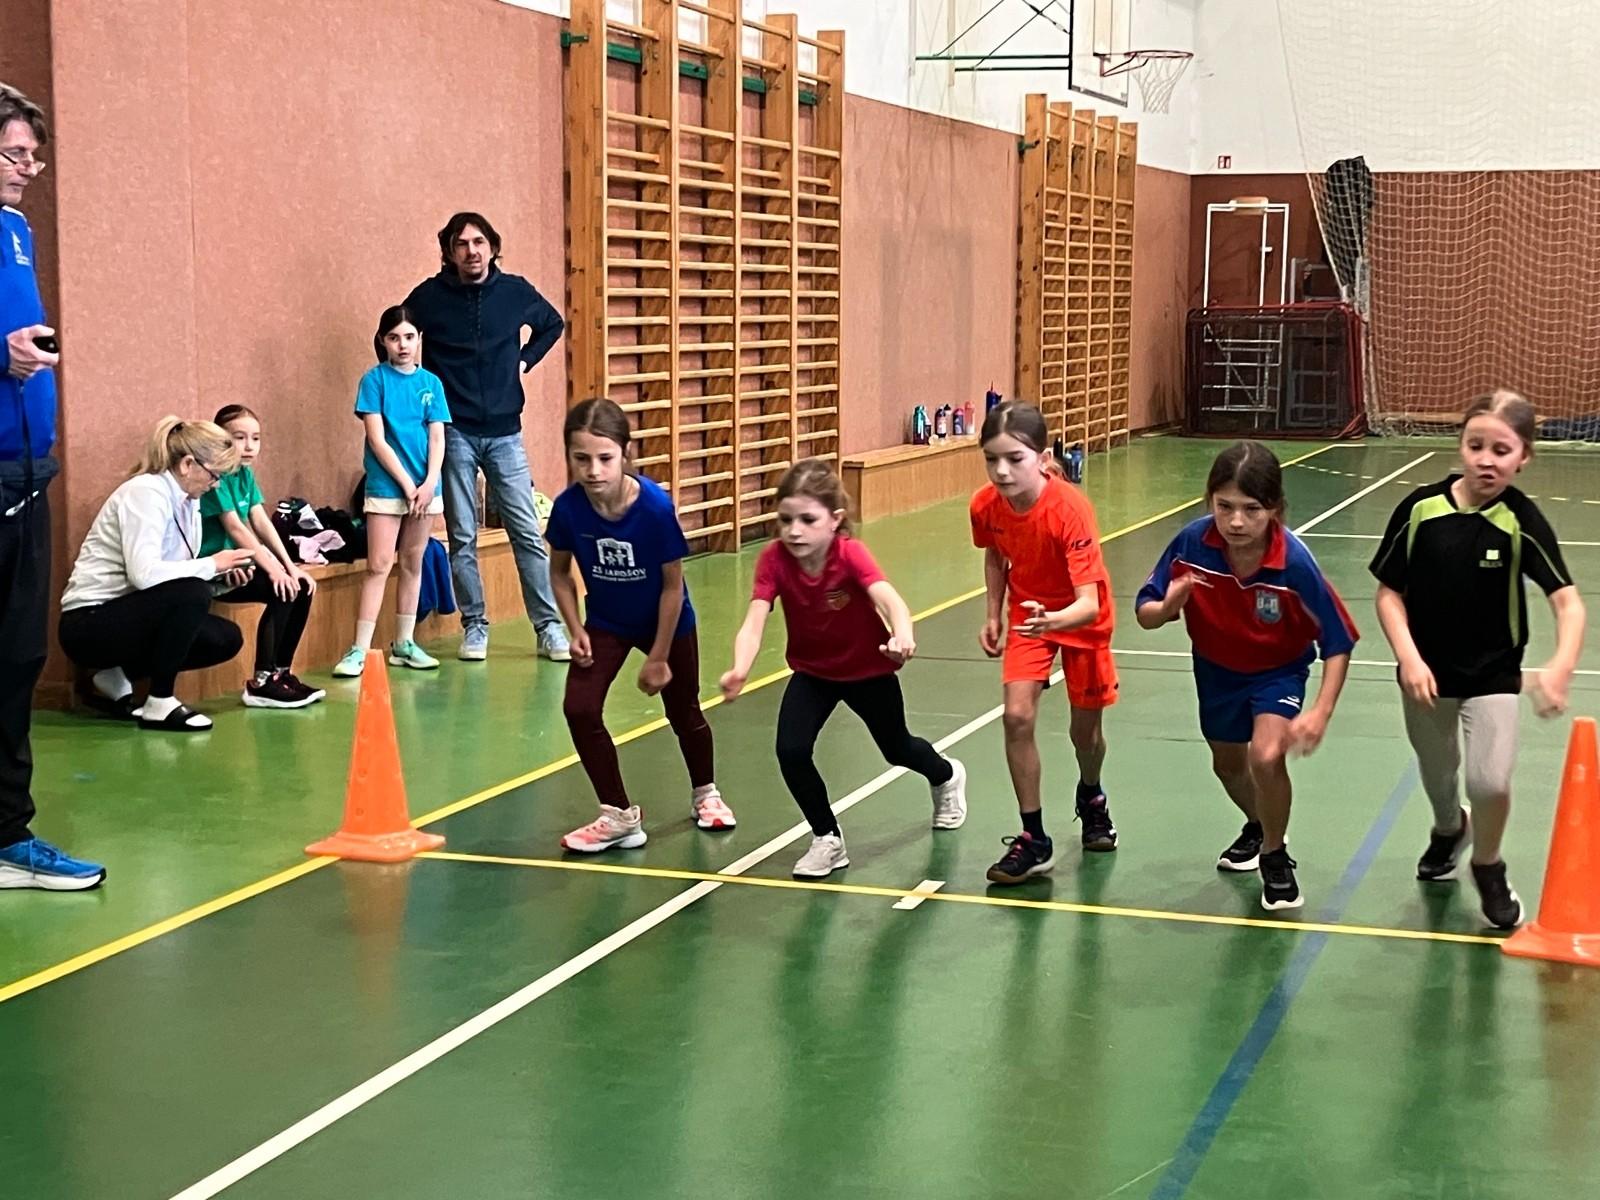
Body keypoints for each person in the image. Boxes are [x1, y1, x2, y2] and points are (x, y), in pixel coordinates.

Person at [1371, 389, 1585, 929]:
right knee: (1439, 775)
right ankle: (1450, 829)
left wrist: (1560, 665)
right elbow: (1389, 593)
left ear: (1524, 457)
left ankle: (1488, 864)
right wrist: (1409, 658)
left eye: (1502, 450)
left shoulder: (1520, 519)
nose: (1486, 460)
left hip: (1493, 675)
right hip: (1425, 677)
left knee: (1490, 782)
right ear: (1461, 445)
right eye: (1476, 446)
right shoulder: (1420, 509)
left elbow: (1567, 601)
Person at [1136, 441, 1356, 911]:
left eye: (1251, 509)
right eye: (1225, 507)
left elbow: (1339, 641)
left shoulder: (1294, 563)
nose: (1236, 521)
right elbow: (1146, 613)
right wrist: (1168, 606)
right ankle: (1260, 826)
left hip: (1278, 672)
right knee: (1228, 767)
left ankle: (1275, 856)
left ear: (1275, 509)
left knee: (1266, 755)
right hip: (1215, 671)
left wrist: (1321, 712)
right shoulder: (1191, 545)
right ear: (1209, 501)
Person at [721, 458, 966, 878]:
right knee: (791, 750)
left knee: (896, 748)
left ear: (834, 520)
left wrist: (903, 634)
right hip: (813, 672)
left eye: (807, 520)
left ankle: (945, 775)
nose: (794, 531)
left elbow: (890, 600)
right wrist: (740, 668)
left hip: (867, 671)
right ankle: (827, 838)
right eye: (785, 520)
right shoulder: (774, 560)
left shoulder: (850, 554)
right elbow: (754, 620)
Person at [547, 397, 733, 852]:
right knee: (579, 708)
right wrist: (575, 629)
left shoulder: (653, 507)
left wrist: (659, 656)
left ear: (625, 454)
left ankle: (706, 793)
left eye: (605, 458)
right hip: (607, 622)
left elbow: (673, 587)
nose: (593, 470)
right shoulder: (568, 509)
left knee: (683, 711)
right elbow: (559, 573)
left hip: (666, 622)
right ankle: (618, 816)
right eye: (581, 458)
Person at [0, 81, 105, 888]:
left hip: (28, 476)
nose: (28, 167)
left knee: (17, 658)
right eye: (14, 153)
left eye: (33, 155)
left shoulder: (18, 231)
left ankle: (7, 836)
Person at [404, 212, 571, 664]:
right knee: (462, 536)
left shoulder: (514, 291)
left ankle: (548, 626)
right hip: (453, 432)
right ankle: (474, 625)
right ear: (449, 252)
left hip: (505, 432)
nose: (471, 251)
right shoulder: (429, 297)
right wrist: (417, 388)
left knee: (526, 531)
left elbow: (552, 323)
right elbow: (395, 334)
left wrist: (524, 360)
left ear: (492, 247)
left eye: (479, 242)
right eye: (461, 244)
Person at [971, 401, 1119, 886]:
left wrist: (1053, 620)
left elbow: (1088, 603)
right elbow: (996, 554)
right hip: (1029, 615)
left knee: (1085, 735)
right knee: (1016, 716)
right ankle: (1034, 837)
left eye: (1014, 458)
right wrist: (993, 613)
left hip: (1080, 619)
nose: (1001, 471)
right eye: (991, 459)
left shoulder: (1070, 510)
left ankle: (1091, 795)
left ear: (1043, 457)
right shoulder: (986, 506)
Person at [59, 418, 253, 733]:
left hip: (130, 613)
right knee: (193, 592)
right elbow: (144, 574)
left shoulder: (188, 503)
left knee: (225, 638)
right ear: (188, 464)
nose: (216, 485)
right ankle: (159, 701)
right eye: (215, 475)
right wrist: (211, 564)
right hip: (87, 624)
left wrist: (219, 578)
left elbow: (173, 578)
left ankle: (118, 673)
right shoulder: (146, 493)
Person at [333, 306, 450, 678]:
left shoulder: (432, 384)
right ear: (383, 341)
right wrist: (406, 484)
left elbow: (437, 437)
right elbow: (377, 439)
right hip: (387, 487)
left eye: (409, 337)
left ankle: (404, 643)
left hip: (426, 489)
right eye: (394, 337)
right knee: (379, 565)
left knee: (413, 563)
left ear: (419, 340)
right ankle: (359, 649)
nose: (403, 345)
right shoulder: (374, 381)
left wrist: (429, 483)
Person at [203, 404, 323, 707]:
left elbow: (260, 521)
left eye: (255, 438)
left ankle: (281, 673)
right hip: (212, 569)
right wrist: (274, 571)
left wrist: (289, 567)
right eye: (239, 437)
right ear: (219, 438)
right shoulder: (214, 477)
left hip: (238, 564)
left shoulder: (244, 474)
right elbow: (236, 528)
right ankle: (262, 681)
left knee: (300, 586)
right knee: (279, 588)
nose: (249, 446)